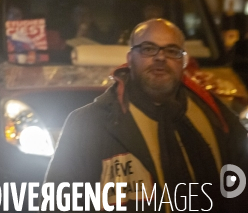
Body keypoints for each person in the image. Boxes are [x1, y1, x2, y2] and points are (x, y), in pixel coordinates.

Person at [44, 19, 248, 211]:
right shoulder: (88, 125)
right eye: (148, 49)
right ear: (129, 59)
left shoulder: (215, 115)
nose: (160, 57)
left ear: (183, 61)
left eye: (172, 50)